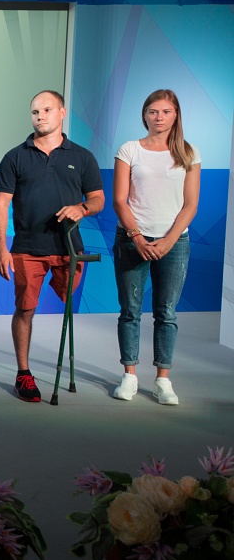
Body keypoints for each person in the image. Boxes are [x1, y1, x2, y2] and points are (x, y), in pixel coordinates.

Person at [0, 90, 105, 402]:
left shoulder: (82, 157)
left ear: (62, 113)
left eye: (47, 110)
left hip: (69, 248)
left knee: (67, 301)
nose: (40, 116)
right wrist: (2, 248)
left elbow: (98, 199)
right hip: (27, 248)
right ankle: (23, 373)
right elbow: (1, 205)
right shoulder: (15, 157)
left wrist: (82, 208)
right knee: (25, 309)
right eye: (35, 112)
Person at [111, 90, 199, 406]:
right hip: (132, 240)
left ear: (176, 115)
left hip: (174, 243)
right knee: (130, 311)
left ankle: (163, 380)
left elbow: (190, 204)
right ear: (144, 115)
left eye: (165, 111)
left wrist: (169, 240)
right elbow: (119, 200)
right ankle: (129, 376)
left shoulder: (188, 152)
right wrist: (137, 238)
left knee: (166, 313)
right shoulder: (129, 149)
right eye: (153, 111)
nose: (158, 117)